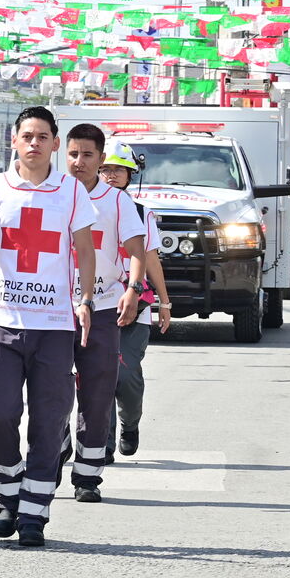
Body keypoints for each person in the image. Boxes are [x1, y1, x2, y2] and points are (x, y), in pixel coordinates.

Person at [0, 107, 97, 548]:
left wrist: (86, 298)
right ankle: (6, 494)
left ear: (55, 143)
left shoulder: (72, 191)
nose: (34, 143)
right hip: (2, 319)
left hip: (54, 324)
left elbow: (83, 249)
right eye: (27, 136)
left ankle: (34, 511)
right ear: (14, 142)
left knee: (48, 418)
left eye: (43, 136)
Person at [61, 124, 148, 504]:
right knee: (53, 389)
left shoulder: (117, 201)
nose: (79, 162)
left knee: (97, 392)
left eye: (88, 155)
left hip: (104, 307)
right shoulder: (52, 195)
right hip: (55, 308)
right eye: (73, 154)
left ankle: (88, 474)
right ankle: (59, 440)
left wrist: (133, 289)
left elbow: (135, 247)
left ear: (101, 159)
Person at [98, 139, 172, 459]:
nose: (112, 176)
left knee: (125, 375)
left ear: (132, 175)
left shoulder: (141, 213)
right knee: (98, 376)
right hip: (95, 305)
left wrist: (164, 303)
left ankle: (130, 423)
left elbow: (150, 259)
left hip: (134, 307)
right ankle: (103, 444)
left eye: (119, 170)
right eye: (106, 170)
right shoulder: (82, 208)